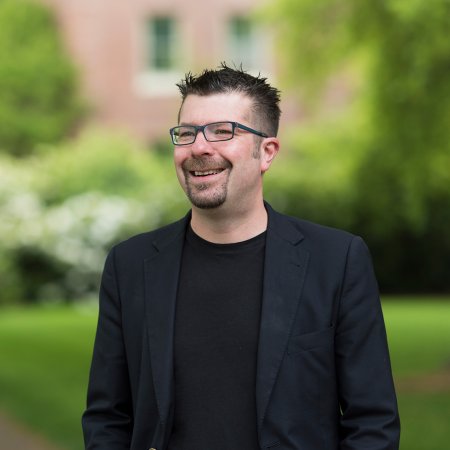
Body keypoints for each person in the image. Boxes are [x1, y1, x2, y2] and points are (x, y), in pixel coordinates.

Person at [82, 64, 400, 450]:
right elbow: (107, 418)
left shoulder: (336, 261)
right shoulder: (129, 264)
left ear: (266, 152)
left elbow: (373, 422)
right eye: (186, 133)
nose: (199, 148)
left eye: (222, 131)